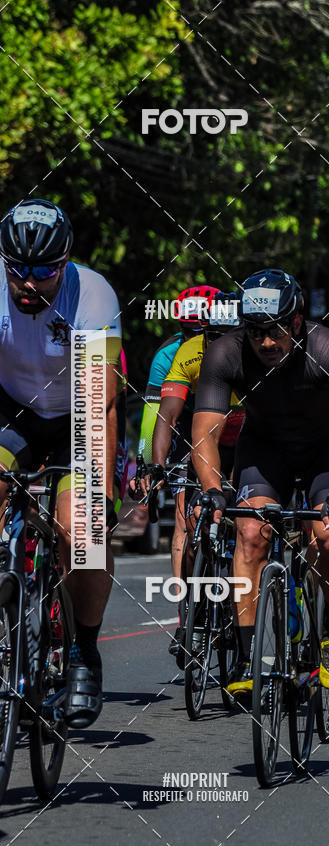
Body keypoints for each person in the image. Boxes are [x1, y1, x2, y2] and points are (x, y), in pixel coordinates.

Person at [191, 267, 329, 694]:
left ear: (296, 321)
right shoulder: (225, 354)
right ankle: (249, 658)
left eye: (275, 331)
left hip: (325, 451)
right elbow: (204, 433)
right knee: (250, 533)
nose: (266, 342)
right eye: (255, 332)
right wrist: (214, 490)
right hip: (266, 450)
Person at [0, 198, 122, 727]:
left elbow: (101, 404)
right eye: (17, 271)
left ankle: (83, 655)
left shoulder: (91, 294)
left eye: (44, 272)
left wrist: (100, 493)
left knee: (84, 530)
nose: (29, 283)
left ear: (65, 263)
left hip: (78, 414)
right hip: (12, 411)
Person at [148, 288, 244, 662]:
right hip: (204, 438)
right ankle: (193, 611)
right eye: (214, 335)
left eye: (229, 336)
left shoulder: (254, 355)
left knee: (243, 521)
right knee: (192, 524)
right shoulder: (189, 352)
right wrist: (157, 465)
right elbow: (167, 415)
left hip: (248, 437)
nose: (221, 344)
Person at [136, 285, 221, 604]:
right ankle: (186, 607)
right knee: (185, 520)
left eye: (201, 330)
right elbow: (153, 414)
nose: (194, 339)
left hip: (225, 423)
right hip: (182, 425)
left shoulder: (234, 346)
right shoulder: (168, 354)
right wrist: (148, 463)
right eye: (187, 330)